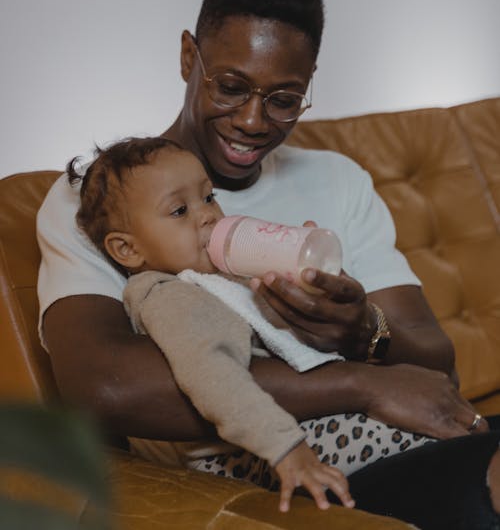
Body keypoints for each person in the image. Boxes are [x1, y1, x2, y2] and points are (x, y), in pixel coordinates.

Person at [37, 0, 500, 528]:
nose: (254, 121)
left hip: (389, 435)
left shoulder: (338, 181)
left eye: (284, 99)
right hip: (297, 464)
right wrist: (360, 383)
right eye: (231, 86)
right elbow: (102, 386)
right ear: (189, 56)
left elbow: (436, 362)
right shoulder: (101, 199)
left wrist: (362, 332)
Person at [66, 134, 437, 511]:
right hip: (247, 454)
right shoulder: (170, 295)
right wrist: (287, 449)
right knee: (416, 435)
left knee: (428, 428)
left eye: (209, 197)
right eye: (180, 211)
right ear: (127, 249)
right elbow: (214, 376)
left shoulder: (221, 278)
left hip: (292, 427)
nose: (208, 214)